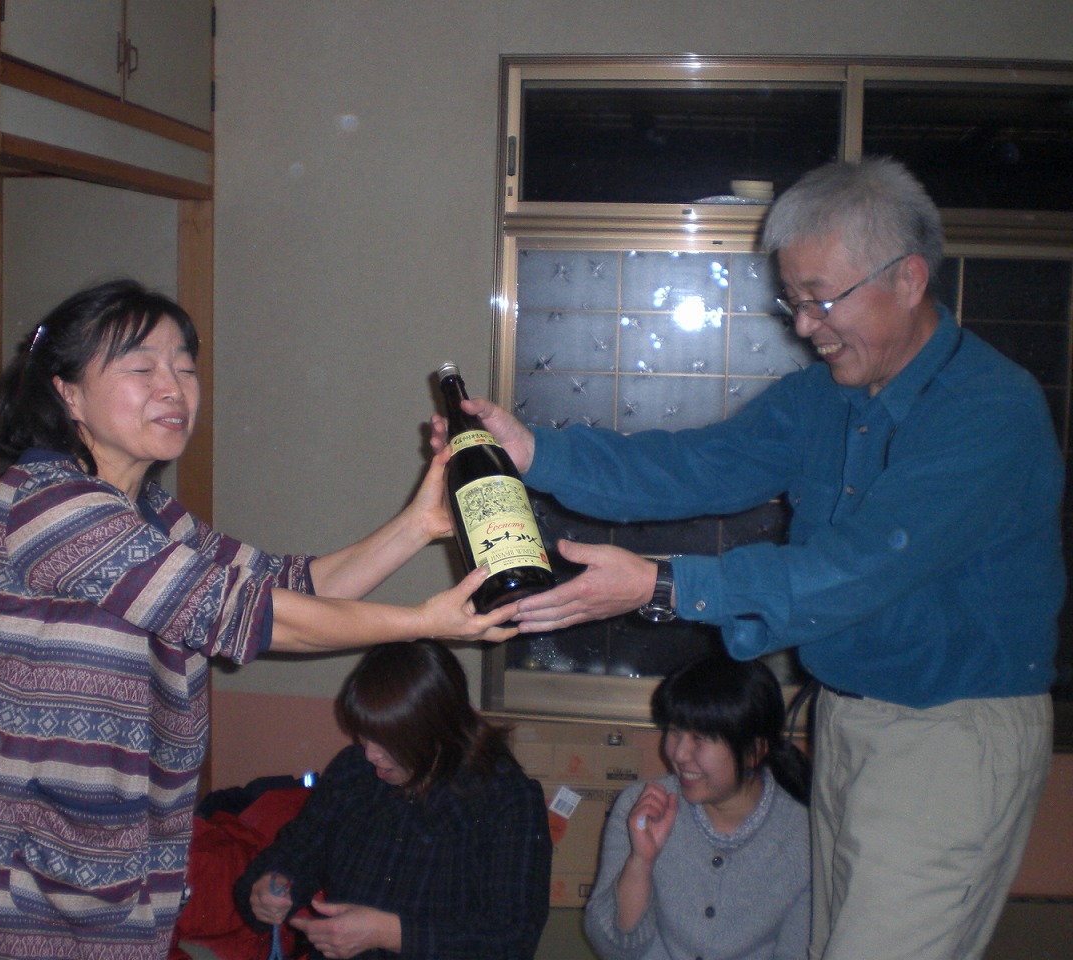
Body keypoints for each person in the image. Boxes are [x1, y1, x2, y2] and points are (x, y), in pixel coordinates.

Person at [432, 158, 1063, 960]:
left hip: (950, 731)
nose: (805, 326)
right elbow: (694, 466)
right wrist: (535, 453)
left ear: (908, 279)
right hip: (848, 718)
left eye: (821, 298)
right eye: (793, 300)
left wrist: (662, 584)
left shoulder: (988, 409)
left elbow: (860, 566)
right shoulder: (828, 395)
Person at [0, 280, 520, 960]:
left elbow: (291, 587)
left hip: (83, 860)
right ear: (67, 393)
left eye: (185, 367)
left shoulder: (152, 516)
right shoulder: (46, 502)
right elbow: (251, 616)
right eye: (142, 367)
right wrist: (425, 622)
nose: (173, 387)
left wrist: (419, 525)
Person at [236, 639, 552, 960]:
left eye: (389, 740)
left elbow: (513, 940)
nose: (371, 754)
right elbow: (296, 852)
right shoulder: (353, 771)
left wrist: (390, 934)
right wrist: (272, 886)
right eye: (365, 734)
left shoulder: (506, 800)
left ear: (439, 731)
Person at [583, 654, 810, 960]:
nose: (679, 753)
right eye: (674, 731)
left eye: (700, 738)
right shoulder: (641, 808)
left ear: (754, 751)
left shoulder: (802, 837)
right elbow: (613, 950)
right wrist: (641, 862)